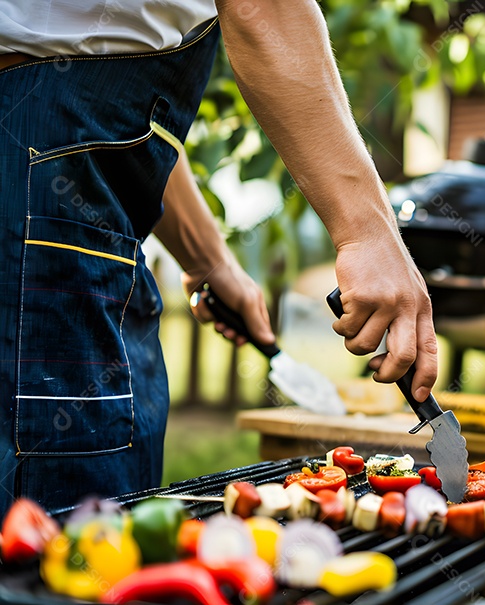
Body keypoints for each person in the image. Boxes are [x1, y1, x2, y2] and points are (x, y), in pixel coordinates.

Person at [0, 1, 438, 512]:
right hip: (43, 214)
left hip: (61, 199)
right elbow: (264, 8)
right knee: (65, 538)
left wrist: (209, 261)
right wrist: (368, 233)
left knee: (112, 511)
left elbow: (115, 126)